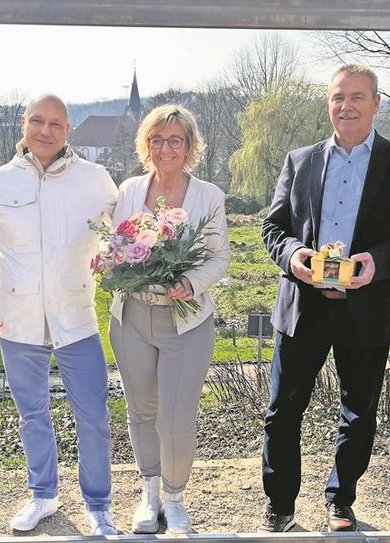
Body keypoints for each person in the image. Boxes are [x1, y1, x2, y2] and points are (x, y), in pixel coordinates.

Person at [259, 65, 390, 532]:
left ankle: (340, 500)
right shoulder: (300, 161)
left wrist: (378, 262)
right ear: (329, 103)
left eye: (358, 97)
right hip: (303, 307)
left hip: (368, 308)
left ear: (376, 103)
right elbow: (273, 227)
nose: (347, 106)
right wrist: (293, 255)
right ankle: (280, 505)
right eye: (338, 97)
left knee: (358, 413)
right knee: (282, 410)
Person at [0, 94, 119, 535]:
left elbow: (121, 236)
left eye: (55, 123)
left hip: (77, 318)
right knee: (32, 414)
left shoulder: (95, 180)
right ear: (23, 123)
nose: (45, 131)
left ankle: (98, 505)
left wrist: (117, 263)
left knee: (93, 415)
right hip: (18, 320)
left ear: (68, 129)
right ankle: (43, 496)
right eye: (37, 121)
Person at [108, 105, 231, 534]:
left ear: (190, 145)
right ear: (146, 144)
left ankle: (175, 499)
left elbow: (219, 257)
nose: (166, 148)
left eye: (175, 140)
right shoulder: (129, 190)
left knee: (176, 417)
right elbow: (114, 246)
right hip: (131, 317)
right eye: (157, 139)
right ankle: (150, 495)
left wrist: (191, 282)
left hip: (186, 321)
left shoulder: (208, 196)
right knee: (142, 410)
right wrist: (120, 263)